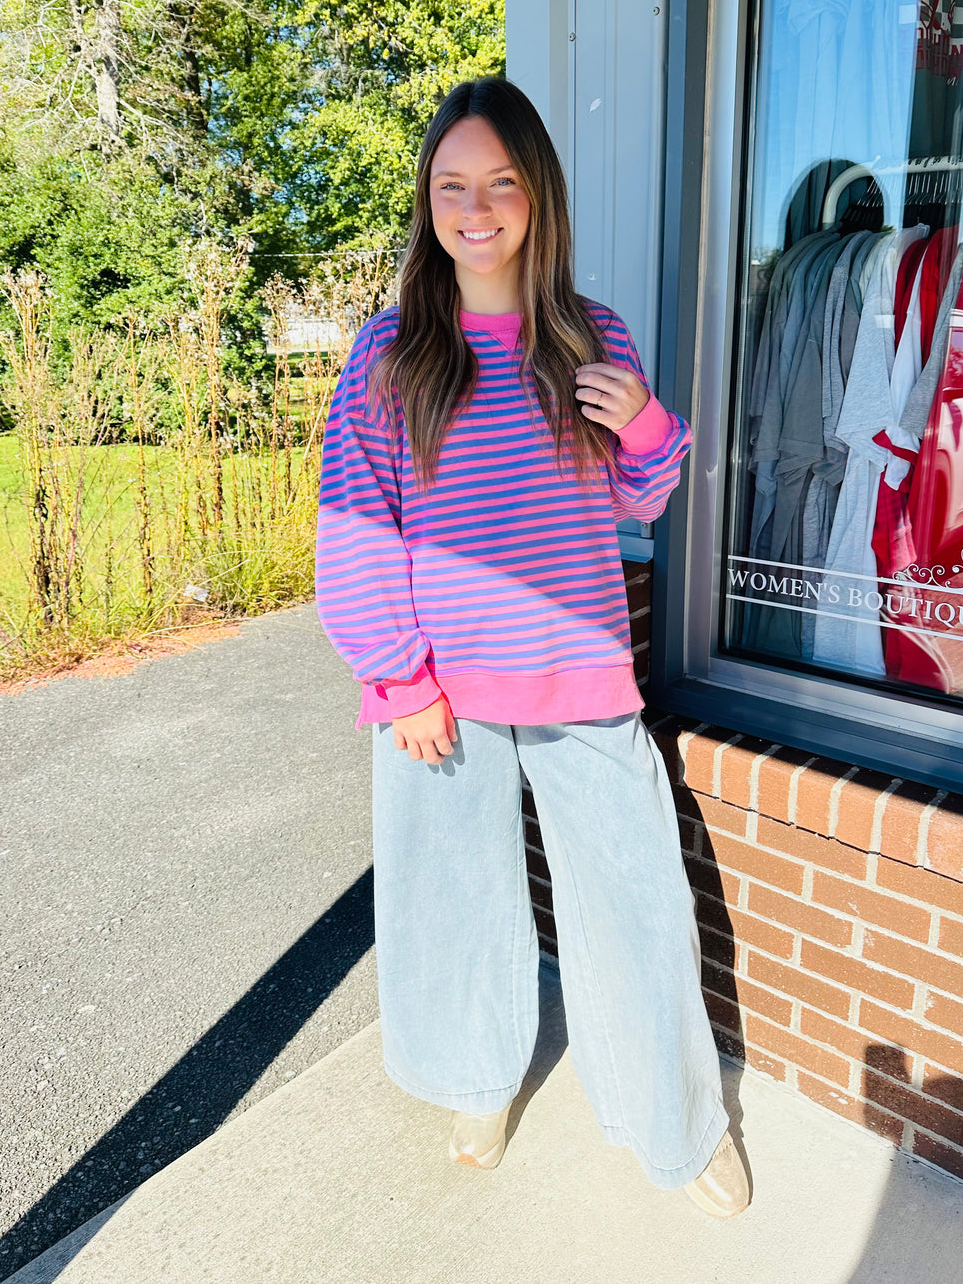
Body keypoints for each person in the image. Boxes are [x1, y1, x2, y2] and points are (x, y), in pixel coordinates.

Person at [315, 76, 749, 1218]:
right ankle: (473, 1077)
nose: (476, 206)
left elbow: (642, 499)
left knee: (635, 902)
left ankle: (675, 1121)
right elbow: (356, 531)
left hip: (581, 675)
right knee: (451, 899)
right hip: (438, 697)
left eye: (500, 181)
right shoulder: (388, 355)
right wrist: (396, 676)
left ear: (536, 196)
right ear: (428, 202)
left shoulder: (589, 334)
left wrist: (649, 426)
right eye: (451, 184)